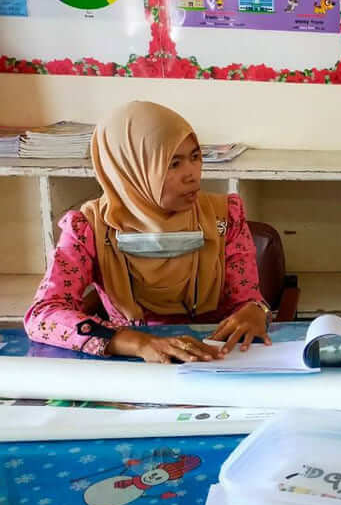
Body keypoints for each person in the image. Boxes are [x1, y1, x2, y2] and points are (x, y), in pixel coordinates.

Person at [25, 101, 272, 363]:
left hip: (214, 356)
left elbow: (247, 299)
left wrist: (256, 310)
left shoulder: (226, 217)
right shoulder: (89, 228)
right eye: (173, 164)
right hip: (137, 361)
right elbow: (43, 315)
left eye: (195, 157)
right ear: (129, 169)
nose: (192, 175)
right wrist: (137, 343)